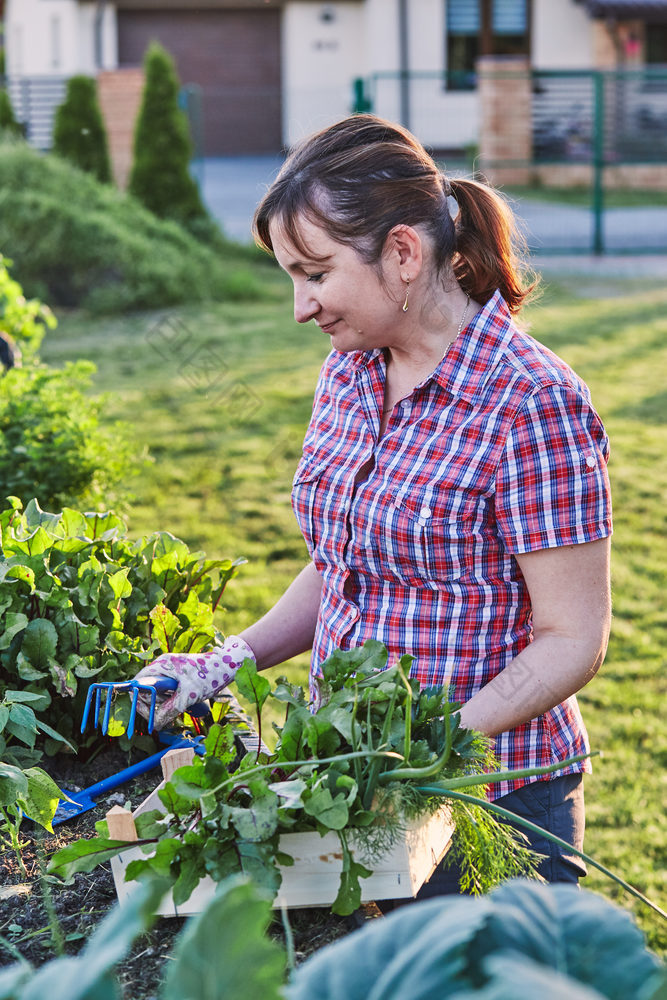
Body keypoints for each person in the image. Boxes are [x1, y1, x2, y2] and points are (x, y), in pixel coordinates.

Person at [136, 114, 612, 892]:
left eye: (315, 273)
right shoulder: (350, 371)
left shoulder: (531, 401)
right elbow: (348, 566)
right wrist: (226, 660)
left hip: (488, 807)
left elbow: (572, 639)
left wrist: (427, 744)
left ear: (401, 253)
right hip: (358, 791)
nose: (300, 305)